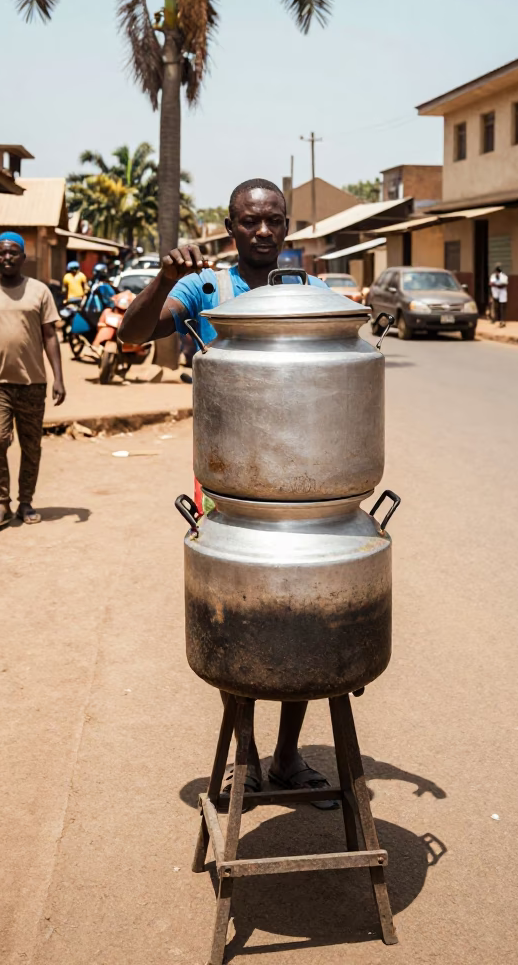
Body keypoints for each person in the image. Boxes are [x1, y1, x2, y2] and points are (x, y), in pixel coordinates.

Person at [120, 179, 337, 810]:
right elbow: (133, 336)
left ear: (288, 227)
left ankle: (289, 754)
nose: (263, 232)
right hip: (226, 482)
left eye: (273, 221)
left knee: (302, 616)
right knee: (235, 613)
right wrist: (162, 279)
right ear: (231, 226)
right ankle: (245, 751)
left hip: (303, 485)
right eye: (250, 221)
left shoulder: (312, 295)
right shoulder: (203, 289)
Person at [0, 232, 66, 528]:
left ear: (23, 257)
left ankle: (25, 502)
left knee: (31, 446)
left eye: (13, 253)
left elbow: (50, 336)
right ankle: (1, 502)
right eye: (1, 252)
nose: (6, 257)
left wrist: (58, 377)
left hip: (33, 383)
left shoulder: (39, 292)